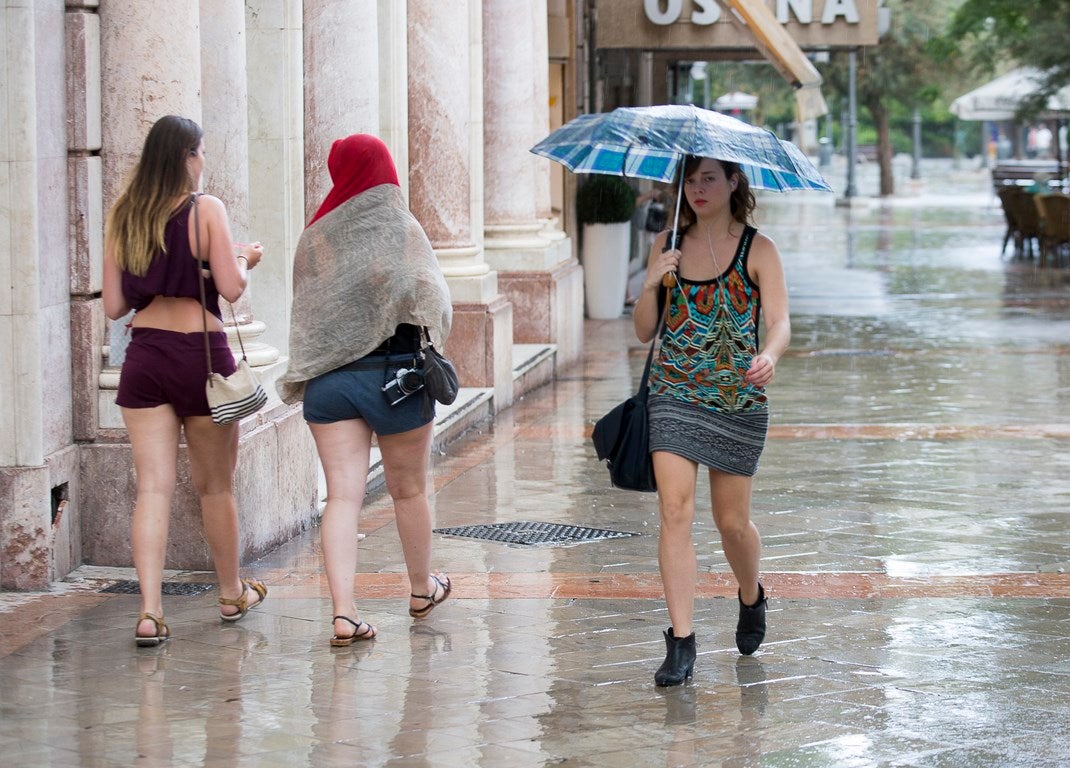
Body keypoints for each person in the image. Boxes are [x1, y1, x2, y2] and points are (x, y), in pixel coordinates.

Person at [277, 134, 454, 646]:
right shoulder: (398, 224)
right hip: (394, 381)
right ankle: (422, 589)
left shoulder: (315, 237)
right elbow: (433, 297)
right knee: (408, 490)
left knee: (342, 498)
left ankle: (344, 613)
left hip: (330, 386)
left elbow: (308, 313)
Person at [103, 115, 267, 647]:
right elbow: (232, 289)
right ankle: (230, 592)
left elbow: (113, 305)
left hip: (145, 356)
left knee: (152, 488)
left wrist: (154, 270)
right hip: (202, 357)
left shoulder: (125, 215)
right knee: (215, 485)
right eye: (202, 153)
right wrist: (245, 258)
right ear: (188, 157)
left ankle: (150, 612)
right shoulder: (206, 209)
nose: (204, 162)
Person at [632, 155, 790, 686]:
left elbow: (781, 321)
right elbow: (642, 330)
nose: (697, 189)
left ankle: (752, 594)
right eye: (690, 180)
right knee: (675, 511)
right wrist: (652, 280)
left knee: (732, 524)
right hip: (673, 392)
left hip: (737, 397)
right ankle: (681, 641)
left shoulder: (758, 249)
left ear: (732, 183)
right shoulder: (668, 245)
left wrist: (769, 354)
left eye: (708, 179)